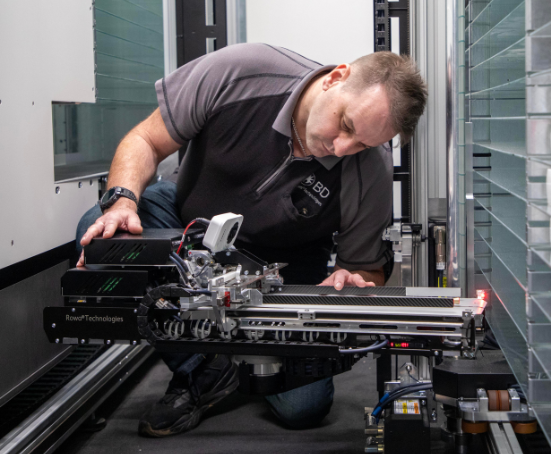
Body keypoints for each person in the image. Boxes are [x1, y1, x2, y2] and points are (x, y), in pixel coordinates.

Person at [74, 43, 427, 437]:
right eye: (345, 124)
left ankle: (231, 355)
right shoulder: (243, 74)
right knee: (104, 237)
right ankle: (203, 369)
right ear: (335, 78)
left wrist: (353, 282)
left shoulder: (369, 168)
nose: (342, 148)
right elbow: (147, 139)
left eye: (362, 143)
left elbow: (365, 269)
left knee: (303, 408)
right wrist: (121, 202)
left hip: (284, 268)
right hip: (188, 224)